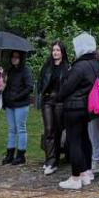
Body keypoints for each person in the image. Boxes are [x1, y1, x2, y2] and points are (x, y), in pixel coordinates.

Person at [57, 33, 99, 189]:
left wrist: (58, 97)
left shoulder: (80, 66)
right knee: (83, 139)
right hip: (85, 108)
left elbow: (67, 87)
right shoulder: (94, 63)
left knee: (74, 142)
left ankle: (75, 178)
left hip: (74, 108)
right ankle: (85, 172)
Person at [37, 40, 69, 175]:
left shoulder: (67, 67)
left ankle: (54, 159)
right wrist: (42, 93)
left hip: (60, 102)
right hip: (48, 101)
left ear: (62, 52)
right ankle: (50, 160)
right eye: (53, 50)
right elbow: (40, 82)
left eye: (58, 50)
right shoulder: (47, 66)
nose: (55, 52)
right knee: (49, 129)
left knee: (58, 130)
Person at [1, 50, 34, 165]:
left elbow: (29, 87)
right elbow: (7, 87)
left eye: (17, 57)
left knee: (21, 129)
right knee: (11, 129)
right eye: (13, 57)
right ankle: (10, 154)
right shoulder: (10, 71)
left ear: (21, 58)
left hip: (21, 104)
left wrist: (17, 97)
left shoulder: (26, 71)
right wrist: (4, 100)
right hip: (10, 104)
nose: (14, 59)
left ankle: (20, 155)